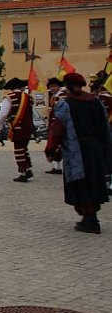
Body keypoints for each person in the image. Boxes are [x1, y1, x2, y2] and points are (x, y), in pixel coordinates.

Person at [44, 72, 112, 234]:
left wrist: (51, 149)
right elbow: (105, 128)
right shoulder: (96, 102)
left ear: (67, 86)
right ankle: (91, 216)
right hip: (95, 149)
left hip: (77, 150)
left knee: (80, 183)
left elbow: (57, 129)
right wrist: (104, 149)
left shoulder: (66, 104)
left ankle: (89, 219)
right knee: (94, 180)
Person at [0, 77, 35, 183]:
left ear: (11, 88)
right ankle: (28, 169)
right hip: (28, 127)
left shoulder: (10, 97)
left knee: (19, 150)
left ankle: (23, 173)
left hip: (18, 127)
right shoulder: (28, 97)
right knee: (24, 148)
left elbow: (3, 114)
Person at [45, 77, 65, 175]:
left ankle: (58, 168)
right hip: (54, 123)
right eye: (51, 86)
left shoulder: (61, 96)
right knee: (54, 145)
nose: (52, 88)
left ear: (59, 86)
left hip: (59, 124)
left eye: (54, 86)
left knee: (57, 145)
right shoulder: (54, 96)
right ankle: (56, 167)